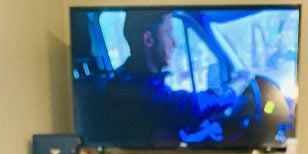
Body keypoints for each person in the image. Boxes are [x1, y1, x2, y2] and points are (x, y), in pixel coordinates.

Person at [108, 10, 252, 145]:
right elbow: (195, 106)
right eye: (168, 32)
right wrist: (241, 81)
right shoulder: (145, 94)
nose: (174, 42)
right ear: (148, 39)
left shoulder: (122, 79)